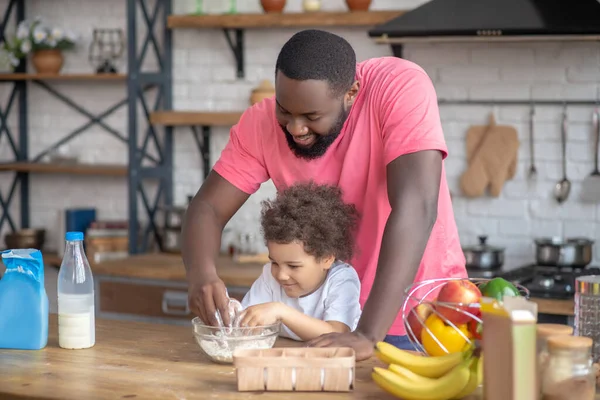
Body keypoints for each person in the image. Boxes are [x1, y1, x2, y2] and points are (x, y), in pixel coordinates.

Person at [182, 29, 467, 361]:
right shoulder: (259, 124)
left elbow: (416, 205)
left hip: (421, 319)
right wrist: (201, 274)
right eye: (284, 110)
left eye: (311, 117)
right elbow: (207, 208)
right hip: (331, 327)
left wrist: (367, 333)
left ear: (351, 94)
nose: (295, 127)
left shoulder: (398, 87)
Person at [237, 181, 362, 341]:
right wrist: (234, 314)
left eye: (293, 266)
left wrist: (280, 311)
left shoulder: (341, 279)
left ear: (326, 259)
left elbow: (336, 334)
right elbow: (247, 322)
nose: (281, 275)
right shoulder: (270, 275)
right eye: (275, 262)